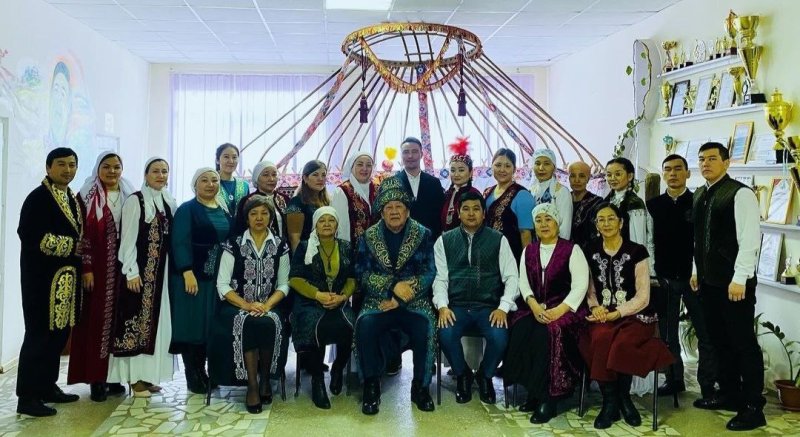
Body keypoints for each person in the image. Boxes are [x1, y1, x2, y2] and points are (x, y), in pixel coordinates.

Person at [690, 142, 764, 431]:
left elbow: (750, 238)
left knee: (743, 344)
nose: (705, 164)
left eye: (712, 158)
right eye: (701, 159)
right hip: (708, 283)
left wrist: (740, 277)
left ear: (726, 162)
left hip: (735, 285)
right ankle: (730, 394)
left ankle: (753, 407)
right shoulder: (701, 194)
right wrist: (696, 270)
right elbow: (698, 239)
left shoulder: (740, 193)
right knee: (719, 341)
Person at [579, 203, 673, 430]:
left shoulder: (637, 251)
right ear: (596, 225)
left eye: (611, 218)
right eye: (601, 220)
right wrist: (595, 307)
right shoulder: (589, 249)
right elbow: (589, 288)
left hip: (636, 315)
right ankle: (610, 401)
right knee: (600, 338)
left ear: (621, 222)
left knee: (622, 343)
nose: (606, 223)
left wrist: (618, 313)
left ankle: (624, 397)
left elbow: (643, 296)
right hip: (602, 314)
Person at [354, 177, 437, 415]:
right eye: (388, 207)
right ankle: (371, 385)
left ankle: (420, 387)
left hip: (414, 301)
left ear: (407, 210)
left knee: (425, 326)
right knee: (365, 324)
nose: (394, 211)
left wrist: (401, 298)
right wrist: (391, 286)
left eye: (399, 206)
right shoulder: (368, 236)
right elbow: (361, 273)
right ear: (381, 212)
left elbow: (429, 272)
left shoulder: (422, 234)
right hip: (379, 300)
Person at [504, 203, 589, 424]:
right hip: (535, 308)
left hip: (565, 309)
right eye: (539, 220)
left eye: (548, 219)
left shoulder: (572, 250)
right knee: (522, 328)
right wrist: (533, 305)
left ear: (557, 222)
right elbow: (523, 283)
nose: (543, 224)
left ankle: (548, 399)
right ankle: (532, 392)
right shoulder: (529, 250)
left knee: (546, 334)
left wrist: (559, 310)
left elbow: (580, 285)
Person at [433, 191, 518, 404]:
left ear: (483, 213)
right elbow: (440, 279)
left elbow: (512, 277)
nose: (471, 214)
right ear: (458, 213)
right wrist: (442, 306)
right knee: (445, 333)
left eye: (476, 209)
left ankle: (485, 375)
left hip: (488, 307)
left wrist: (503, 307)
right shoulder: (444, 240)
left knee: (499, 337)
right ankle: (462, 375)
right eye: (466, 209)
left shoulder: (498, 240)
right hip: (457, 305)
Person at [16, 148, 83, 417]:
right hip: (41, 282)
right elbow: (31, 235)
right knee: (38, 336)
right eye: (61, 164)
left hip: (65, 281)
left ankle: (46, 386)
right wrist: (71, 246)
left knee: (57, 335)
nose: (67, 170)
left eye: (72, 165)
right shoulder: (38, 198)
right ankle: (27, 397)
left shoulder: (70, 197)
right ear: (48, 167)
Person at [647, 154, 717, 401]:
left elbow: (702, 241)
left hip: (694, 279)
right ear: (663, 174)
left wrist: (697, 271)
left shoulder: (698, 201)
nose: (673, 174)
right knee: (668, 334)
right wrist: (653, 273)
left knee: (705, 332)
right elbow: (650, 241)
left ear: (688, 173)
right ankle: (674, 380)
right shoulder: (654, 205)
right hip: (665, 278)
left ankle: (708, 385)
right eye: (668, 169)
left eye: (678, 169)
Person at [211, 195, 290, 414]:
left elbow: (284, 284)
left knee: (268, 323)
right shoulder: (233, 244)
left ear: (271, 217)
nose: (259, 218)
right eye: (254, 214)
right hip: (236, 305)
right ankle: (253, 386)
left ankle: (265, 380)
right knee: (248, 323)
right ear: (246, 218)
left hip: (269, 305)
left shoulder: (280, 245)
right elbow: (222, 285)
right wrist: (246, 305)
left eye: (264, 213)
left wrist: (267, 305)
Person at [107, 157, 177, 398]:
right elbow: (127, 239)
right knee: (135, 326)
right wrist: (131, 272)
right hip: (139, 277)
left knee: (157, 327)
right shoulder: (135, 201)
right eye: (155, 171)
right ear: (146, 175)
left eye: (164, 171)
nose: (160, 175)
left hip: (161, 277)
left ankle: (147, 377)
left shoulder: (167, 201)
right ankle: (135, 379)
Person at [68, 152, 135, 402]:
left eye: (117, 167)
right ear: (98, 168)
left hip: (123, 269)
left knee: (119, 321)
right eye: (106, 167)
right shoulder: (87, 196)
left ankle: (114, 377)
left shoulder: (130, 194)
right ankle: (96, 378)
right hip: (97, 269)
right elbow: (82, 234)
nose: (112, 171)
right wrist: (86, 268)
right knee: (96, 321)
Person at [170, 168, 233, 394]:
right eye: (204, 180)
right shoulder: (187, 209)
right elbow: (179, 241)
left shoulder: (224, 208)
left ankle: (204, 371)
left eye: (214, 180)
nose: (210, 184)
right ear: (195, 185)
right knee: (192, 325)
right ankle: (192, 374)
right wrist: (186, 271)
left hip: (216, 278)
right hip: (193, 278)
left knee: (209, 325)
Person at [289, 207, 355, 409]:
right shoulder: (305, 247)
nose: (327, 224)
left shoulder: (346, 247)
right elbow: (295, 279)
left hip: (338, 301)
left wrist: (342, 296)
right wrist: (318, 294)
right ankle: (317, 379)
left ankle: (338, 369)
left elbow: (352, 278)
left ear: (337, 225)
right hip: (310, 302)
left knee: (352, 326)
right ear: (315, 225)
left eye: (331, 220)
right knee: (313, 327)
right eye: (322, 220)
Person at [603, 157, 655, 275]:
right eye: (609, 175)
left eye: (618, 174)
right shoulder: (605, 202)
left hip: (627, 261)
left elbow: (638, 240)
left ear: (630, 176)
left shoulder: (634, 203)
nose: (612, 178)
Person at [483, 148, 535, 261]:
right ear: (492, 167)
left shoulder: (522, 195)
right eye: (498, 165)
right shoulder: (487, 192)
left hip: (511, 256)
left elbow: (525, 234)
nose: (502, 170)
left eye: (507, 166)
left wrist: (527, 264)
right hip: (488, 255)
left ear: (514, 169)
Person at [388, 136, 445, 239]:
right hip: (400, 240)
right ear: (401, 155)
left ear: (421, 154)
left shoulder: (434, 183)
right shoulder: (391, 183)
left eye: (414, 151)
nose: (410, 156)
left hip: (429, 240)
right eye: (406, 152)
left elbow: (440, 214)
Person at [330, 151, 377, 243]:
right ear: (352, 167)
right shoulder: (342, 191)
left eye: (368, 165)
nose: (364, 169)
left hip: (376, 246)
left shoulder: (377, 189)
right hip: (353, 247)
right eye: (360, 164)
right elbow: (341, 227)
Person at [235, 161, 289, 238]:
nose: (271, 179)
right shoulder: (248, 201)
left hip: (283, 244)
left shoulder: (285, 199)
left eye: (274, 175)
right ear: (256, 178)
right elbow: (240, 229)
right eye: (265, 175)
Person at [440, 138, 482, 232]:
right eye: (453, 170)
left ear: (470, 172)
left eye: (461, 170)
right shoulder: (448, 194)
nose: (456, 174)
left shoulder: (474, 194)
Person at [286, 160, 329, 253]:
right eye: (315, 175)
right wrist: (299, 260)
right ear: (305, 178)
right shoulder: (296, 203)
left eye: (323, 175)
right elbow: (294, 239)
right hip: (306, 254)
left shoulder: (327, 201)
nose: (320, 179)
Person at [529, 149, 572, 239]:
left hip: (555, 245)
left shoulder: (561, 191)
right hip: (534, 245)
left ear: (554, 167)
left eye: (546, 164)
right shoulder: (531, 191)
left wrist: (559, 247)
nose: (541, 168)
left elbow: (565, 227)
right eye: (537, 163)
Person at [568, 161, 603, 249]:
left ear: (588, 179)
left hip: (588, 251)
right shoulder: (563, 199)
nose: (577, 180)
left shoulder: (597, 202)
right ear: (568, 178)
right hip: (564, 251)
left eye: (582, 176)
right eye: (573, 176)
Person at [215, 143, 250, 216]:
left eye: (234, 157)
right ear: (217, 160)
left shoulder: (244, 185)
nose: (231, 161)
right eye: (226, 157)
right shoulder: (211, 184)